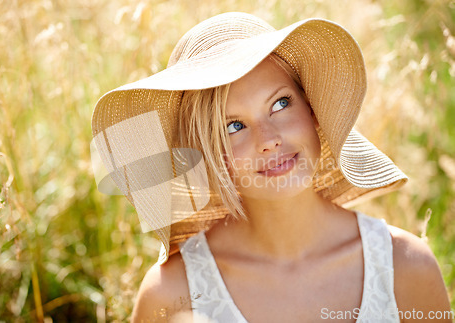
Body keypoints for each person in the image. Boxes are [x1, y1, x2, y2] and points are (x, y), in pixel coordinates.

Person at [91, 12, 452, 322]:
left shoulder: (405, 268)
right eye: (233, 126)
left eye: (280, 104)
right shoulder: (171, 293)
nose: (268, 139)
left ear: (311, 109)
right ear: (206, 154)